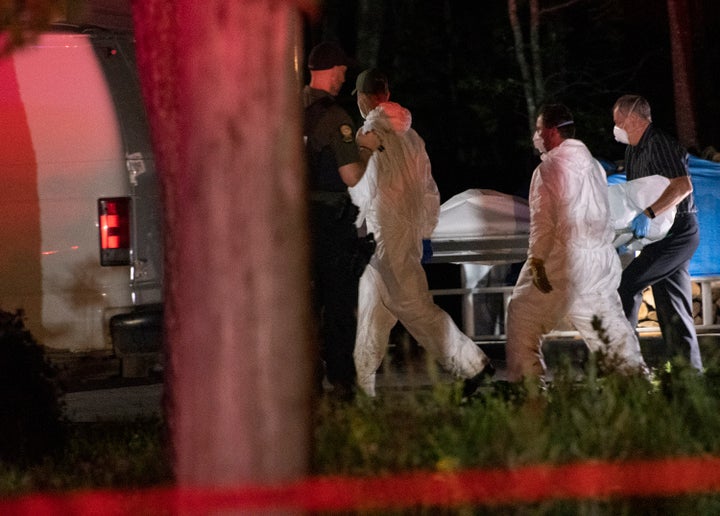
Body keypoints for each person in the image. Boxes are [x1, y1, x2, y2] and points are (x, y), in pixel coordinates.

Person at [349, 68, 494, 397]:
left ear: (363, 98)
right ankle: (360, 389)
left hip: (383, 236)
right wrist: (424, 233)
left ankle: (474, 365)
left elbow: (361, 189)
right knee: (372, 313)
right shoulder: (412, 137)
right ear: (385, 94)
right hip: (404, 237)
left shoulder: (369, 133)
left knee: (415, 308)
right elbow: (430, 190)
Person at [505, 104, 648, 384]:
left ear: (552, 132)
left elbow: (543, 221)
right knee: (608, 327)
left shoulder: (549, 168)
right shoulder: (593, 164)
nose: (536, 136)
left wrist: (537, 260)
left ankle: (528, 386)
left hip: (566, 258)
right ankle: (636, 383)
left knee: (523, 315)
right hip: (600, 259)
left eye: (538, 129)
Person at [611, 94, 702, 371]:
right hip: (658, 236)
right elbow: (631, 200)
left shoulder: (659, 144)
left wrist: (649, 213)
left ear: (632, 119)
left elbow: (683, 185)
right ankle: (689, 376)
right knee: (672, 307)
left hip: (679, 233)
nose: (614, 128)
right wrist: (625, 239)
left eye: (617, 121)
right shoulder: (633, 151)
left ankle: (628, 367)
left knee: (627, 284)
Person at [303, 42, 370, 399]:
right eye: (342, 72)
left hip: (294, 223)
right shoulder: (335, 118)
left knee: (305, 306)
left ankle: (306, 382)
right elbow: (351, 176)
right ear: (331, 70)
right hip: (330, 221)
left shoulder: (285, 108)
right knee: (340, 304)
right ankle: (342, 382)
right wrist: (368, 150)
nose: (344, 78)